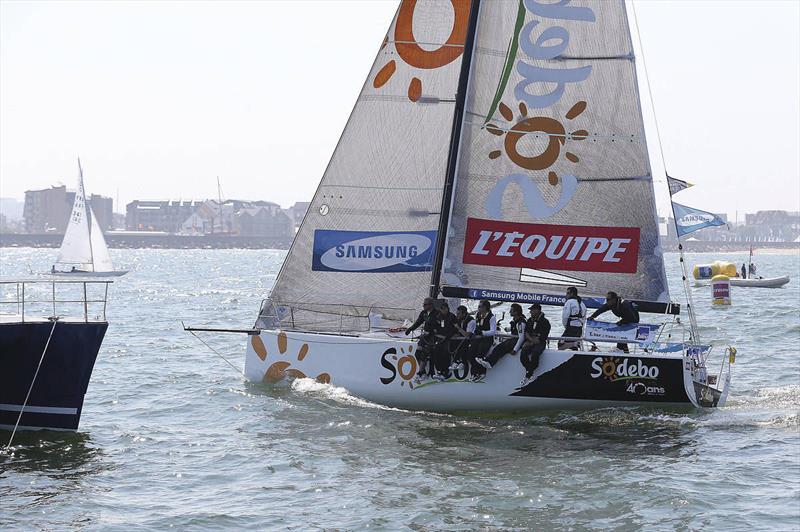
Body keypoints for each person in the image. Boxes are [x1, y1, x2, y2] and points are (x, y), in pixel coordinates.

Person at [475, 303, 526, 374]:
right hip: (513, 339)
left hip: (516, 341)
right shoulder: (516, 321)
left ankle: (490, 363)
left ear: (516, 312)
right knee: (499, 346)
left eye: (511, 311)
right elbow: (514, 328)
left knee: (500, 347)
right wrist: (507, 329)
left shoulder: (521, 323)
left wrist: (515, 350)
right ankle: (487, 360)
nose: (509, 312)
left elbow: (521, 337)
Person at [464, 300, 496, 382]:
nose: (478, 308)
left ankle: (481, 372)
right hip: (477, 338)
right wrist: (473, 333)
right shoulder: (478, 315)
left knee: (479, 354)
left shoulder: (491, 317)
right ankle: (474, 373)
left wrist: (483, 333)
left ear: (485, 307)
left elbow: (493, 331)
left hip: (487, 339)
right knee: (470, 353)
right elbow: (476, 327)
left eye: (479, 306)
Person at [519, 303, 551, 386]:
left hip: (539, 342)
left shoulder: (545, 322)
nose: (530, 312)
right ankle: (529, 371)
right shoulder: (530, 320)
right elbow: (526, 332)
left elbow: (543, 337)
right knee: (523, 353)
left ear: (537, 310)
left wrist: (533, 341)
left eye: (532, 310)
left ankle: (529, 373)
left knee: (535, 353)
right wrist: (530, 340)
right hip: (530, 340)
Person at [406, 297, 436, 381]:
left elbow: (435, 325)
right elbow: (418, 322)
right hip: (425, 336)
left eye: (425, 304)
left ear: (431, 305)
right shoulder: (424, 313)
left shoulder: (437, 313)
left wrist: (428, 320)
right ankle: (423, 373)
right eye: (423, 304)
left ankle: (420, 373)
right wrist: (410, 329)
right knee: (417, 353)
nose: (423, 306)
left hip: (432, 337)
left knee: (424, 354)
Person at [430, 302, 458, 381]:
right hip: (441, 338)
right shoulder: (439, 316)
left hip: (449, 338)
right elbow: (436, 326)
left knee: (445, 353)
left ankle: (446, 371)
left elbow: (455, 328)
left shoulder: (452, 316)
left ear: (447, 309)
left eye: (444, 309)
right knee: (436, 352)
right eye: (441, 309)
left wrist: (447, 337)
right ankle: (439, 371)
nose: (442, 311)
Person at [449, 305, 475, 372]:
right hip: (461, 339)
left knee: (463, 345)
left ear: (464, 314)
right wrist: (455, 333)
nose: (457, 315)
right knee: (451, 343)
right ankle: (456, 361)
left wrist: (458, 328)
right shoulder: (459, 320)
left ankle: (460, 362)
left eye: (458, 314)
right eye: (456, 313)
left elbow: (467, 334)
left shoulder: (471, 321)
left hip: (470, 340)